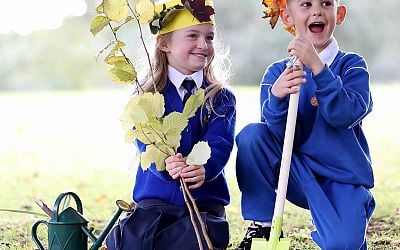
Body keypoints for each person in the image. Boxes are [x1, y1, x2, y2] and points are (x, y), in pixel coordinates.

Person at [235, 0, 375, 249]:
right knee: (252, 136)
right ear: (288, 17)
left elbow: (344, 115)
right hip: (296, 171)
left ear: (339, 14)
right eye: (306, 4)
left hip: (342, 177)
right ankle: (262, 227)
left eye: (325, 3)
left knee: (342, 243)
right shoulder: (277, 73)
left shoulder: (353, 66)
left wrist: (318, 69)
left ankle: (351, 212)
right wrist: (277, 97)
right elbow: (274, 136)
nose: (317, 11)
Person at [106, 0, 236, 249]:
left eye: (209, 38)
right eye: (193, 35)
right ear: (164, 43)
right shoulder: (145, 97)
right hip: (155, 204)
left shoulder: (220, 97)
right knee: (135, 239)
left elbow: (220, 142)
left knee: (199, 238)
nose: (203, 45)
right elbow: (146, 143)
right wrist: (165, 163)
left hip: (202, 205)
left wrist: (204, 168)